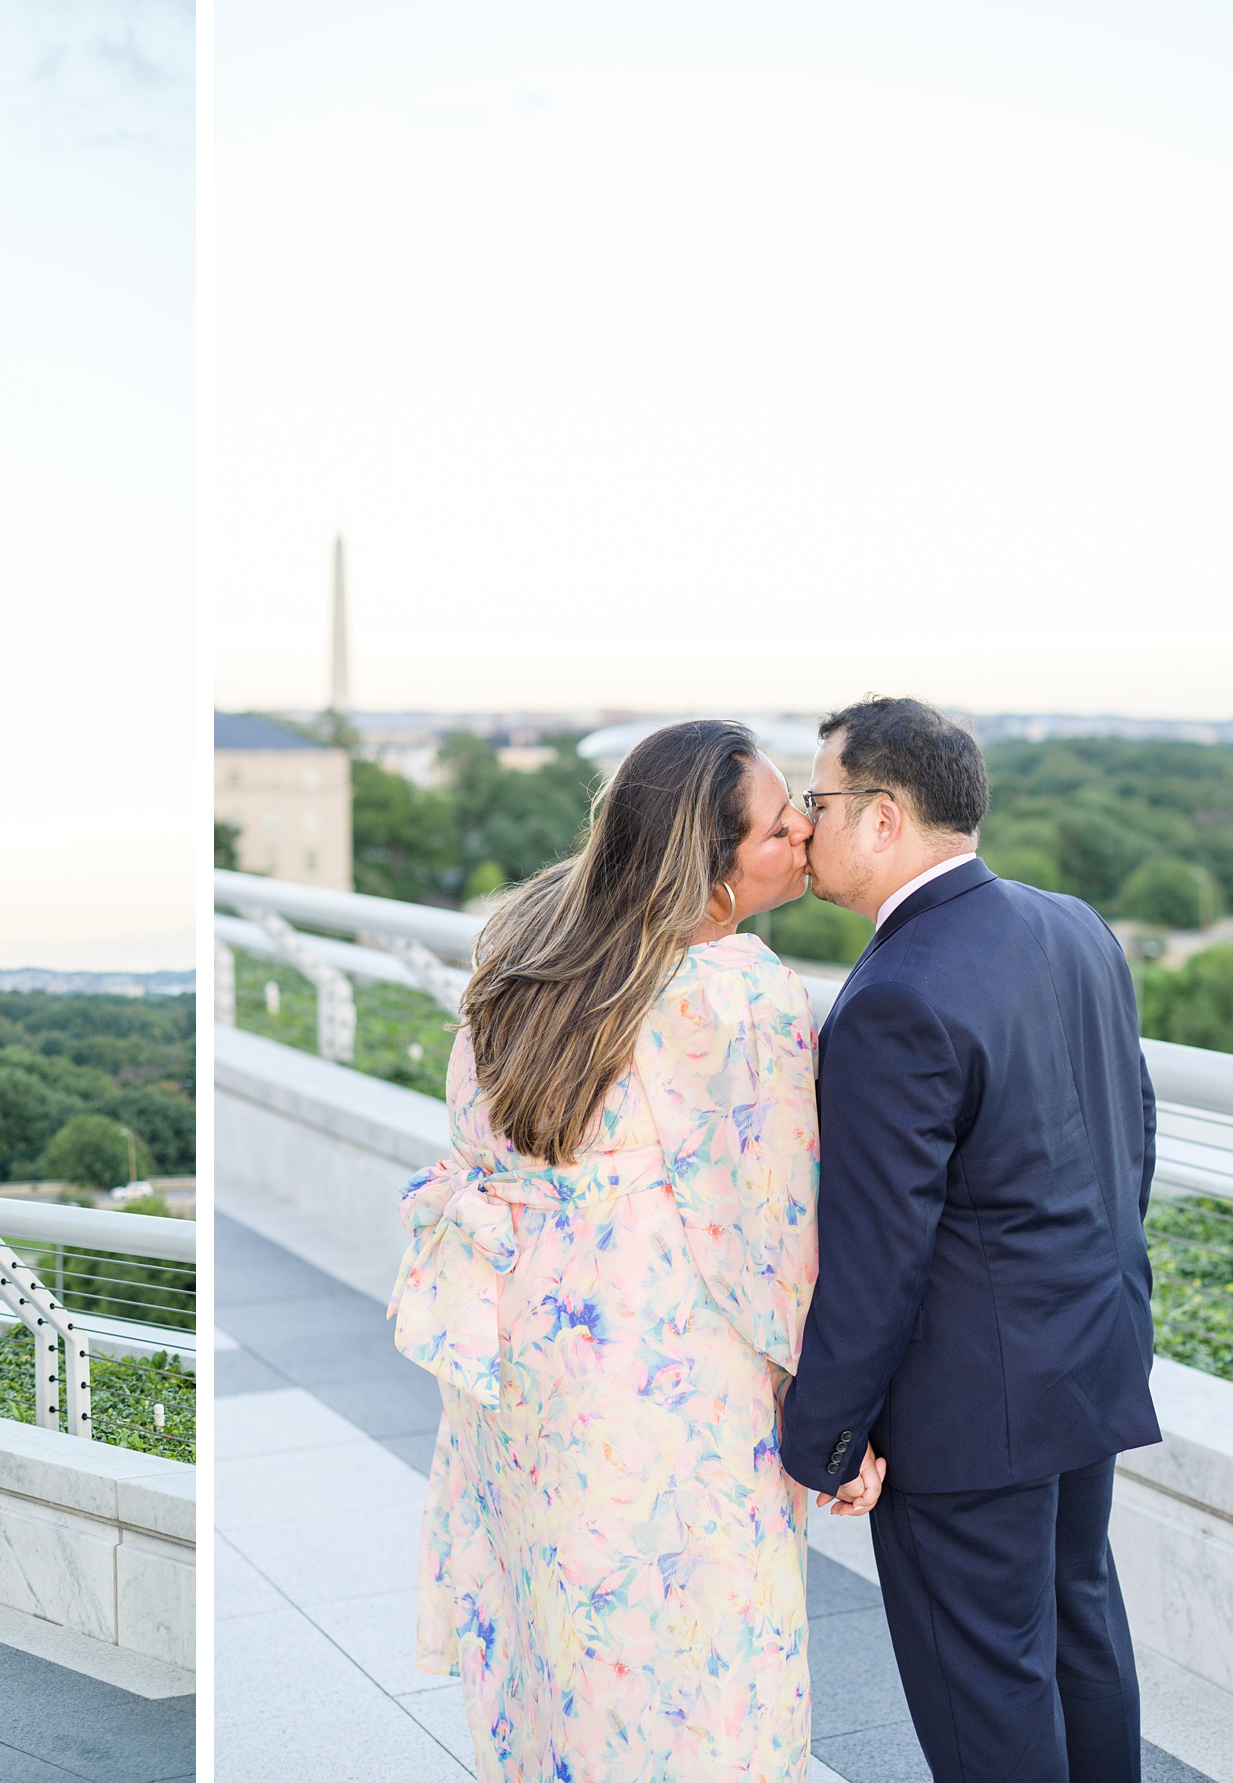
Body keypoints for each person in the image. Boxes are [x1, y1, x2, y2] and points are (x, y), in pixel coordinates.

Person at [393, 719, 855, 1782]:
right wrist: (834, 1408)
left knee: (565, 1637)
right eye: (781, 824)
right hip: (673, 1379)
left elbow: (473, 1144)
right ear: (714, 868)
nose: (801, 836)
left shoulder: (526, 963)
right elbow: (777, 1229)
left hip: (529, 1362)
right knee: (705, 1661)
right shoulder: (738, 991)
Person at [780, 696, 1159, 1783]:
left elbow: (879, 1255)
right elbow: (1130, 1138)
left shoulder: (895, 993)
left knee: (987, 1684)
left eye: (821, 799)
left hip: (971, 1409)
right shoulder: (1074, 924)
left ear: (885, 817)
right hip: (1088, 1360)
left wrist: (825, 1436)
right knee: (1078, 1630)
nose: (808, 825)